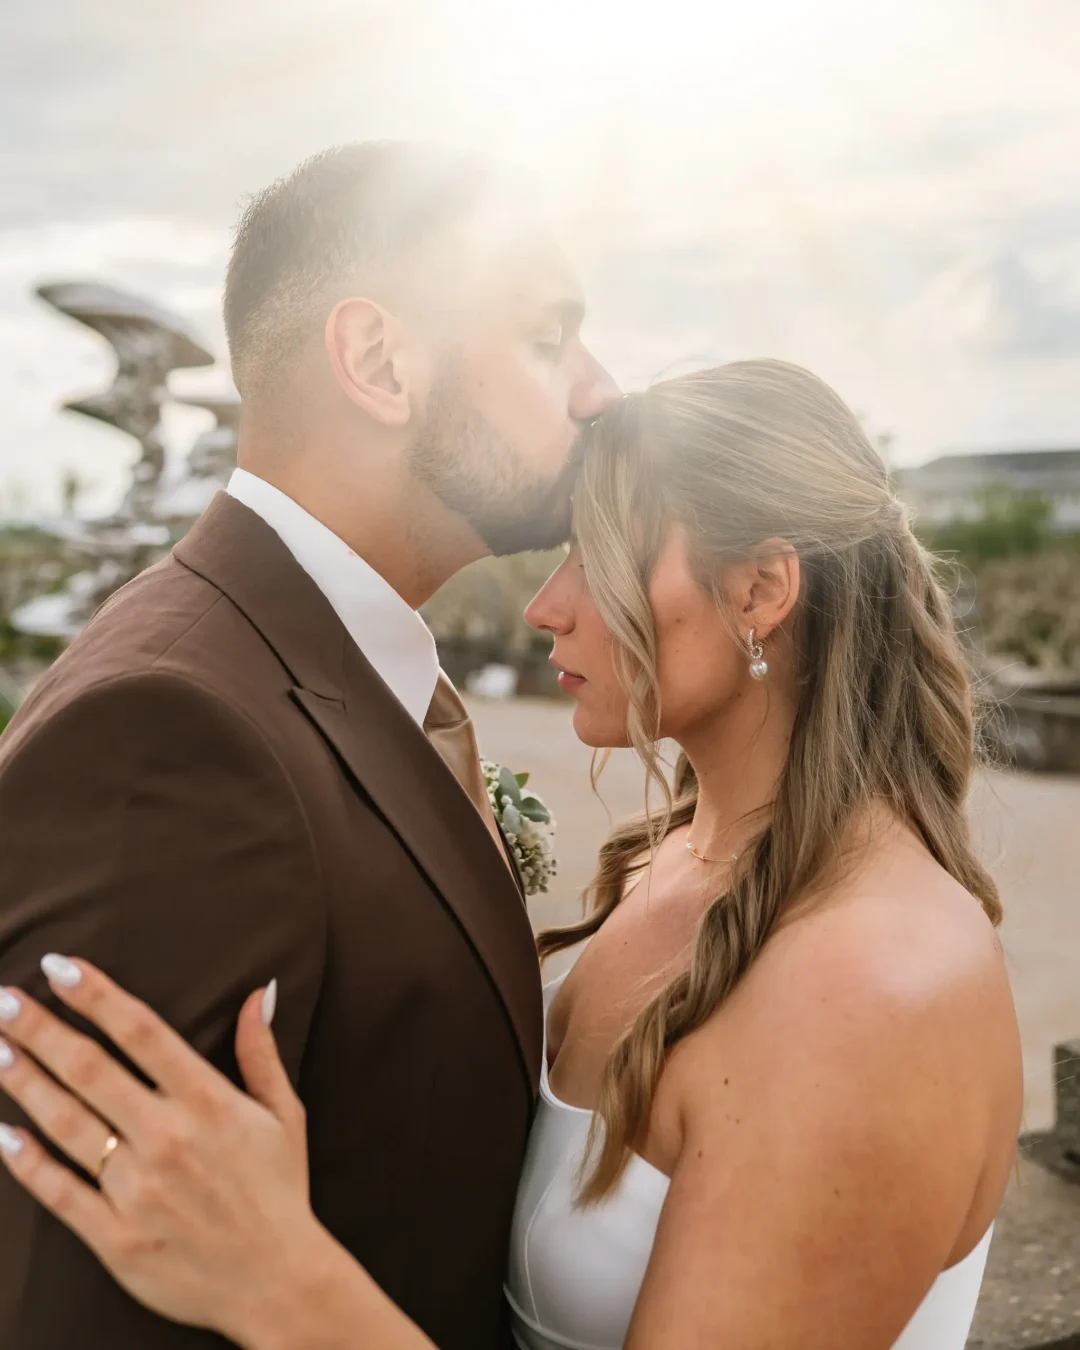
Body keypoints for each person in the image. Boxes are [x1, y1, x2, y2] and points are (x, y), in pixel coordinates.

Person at [0, 360, 1022, 1349]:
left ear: (760, 590)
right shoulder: (676, 865)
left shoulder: (873, 992)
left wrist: (277, 1281)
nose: (549, 605)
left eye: (603, 555)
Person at [0, 141, 619, 1349]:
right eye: (548, 340)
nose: (597, 388)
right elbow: (73, 1306)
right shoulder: (173, 736)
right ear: (379, 361)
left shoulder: (320, 663)